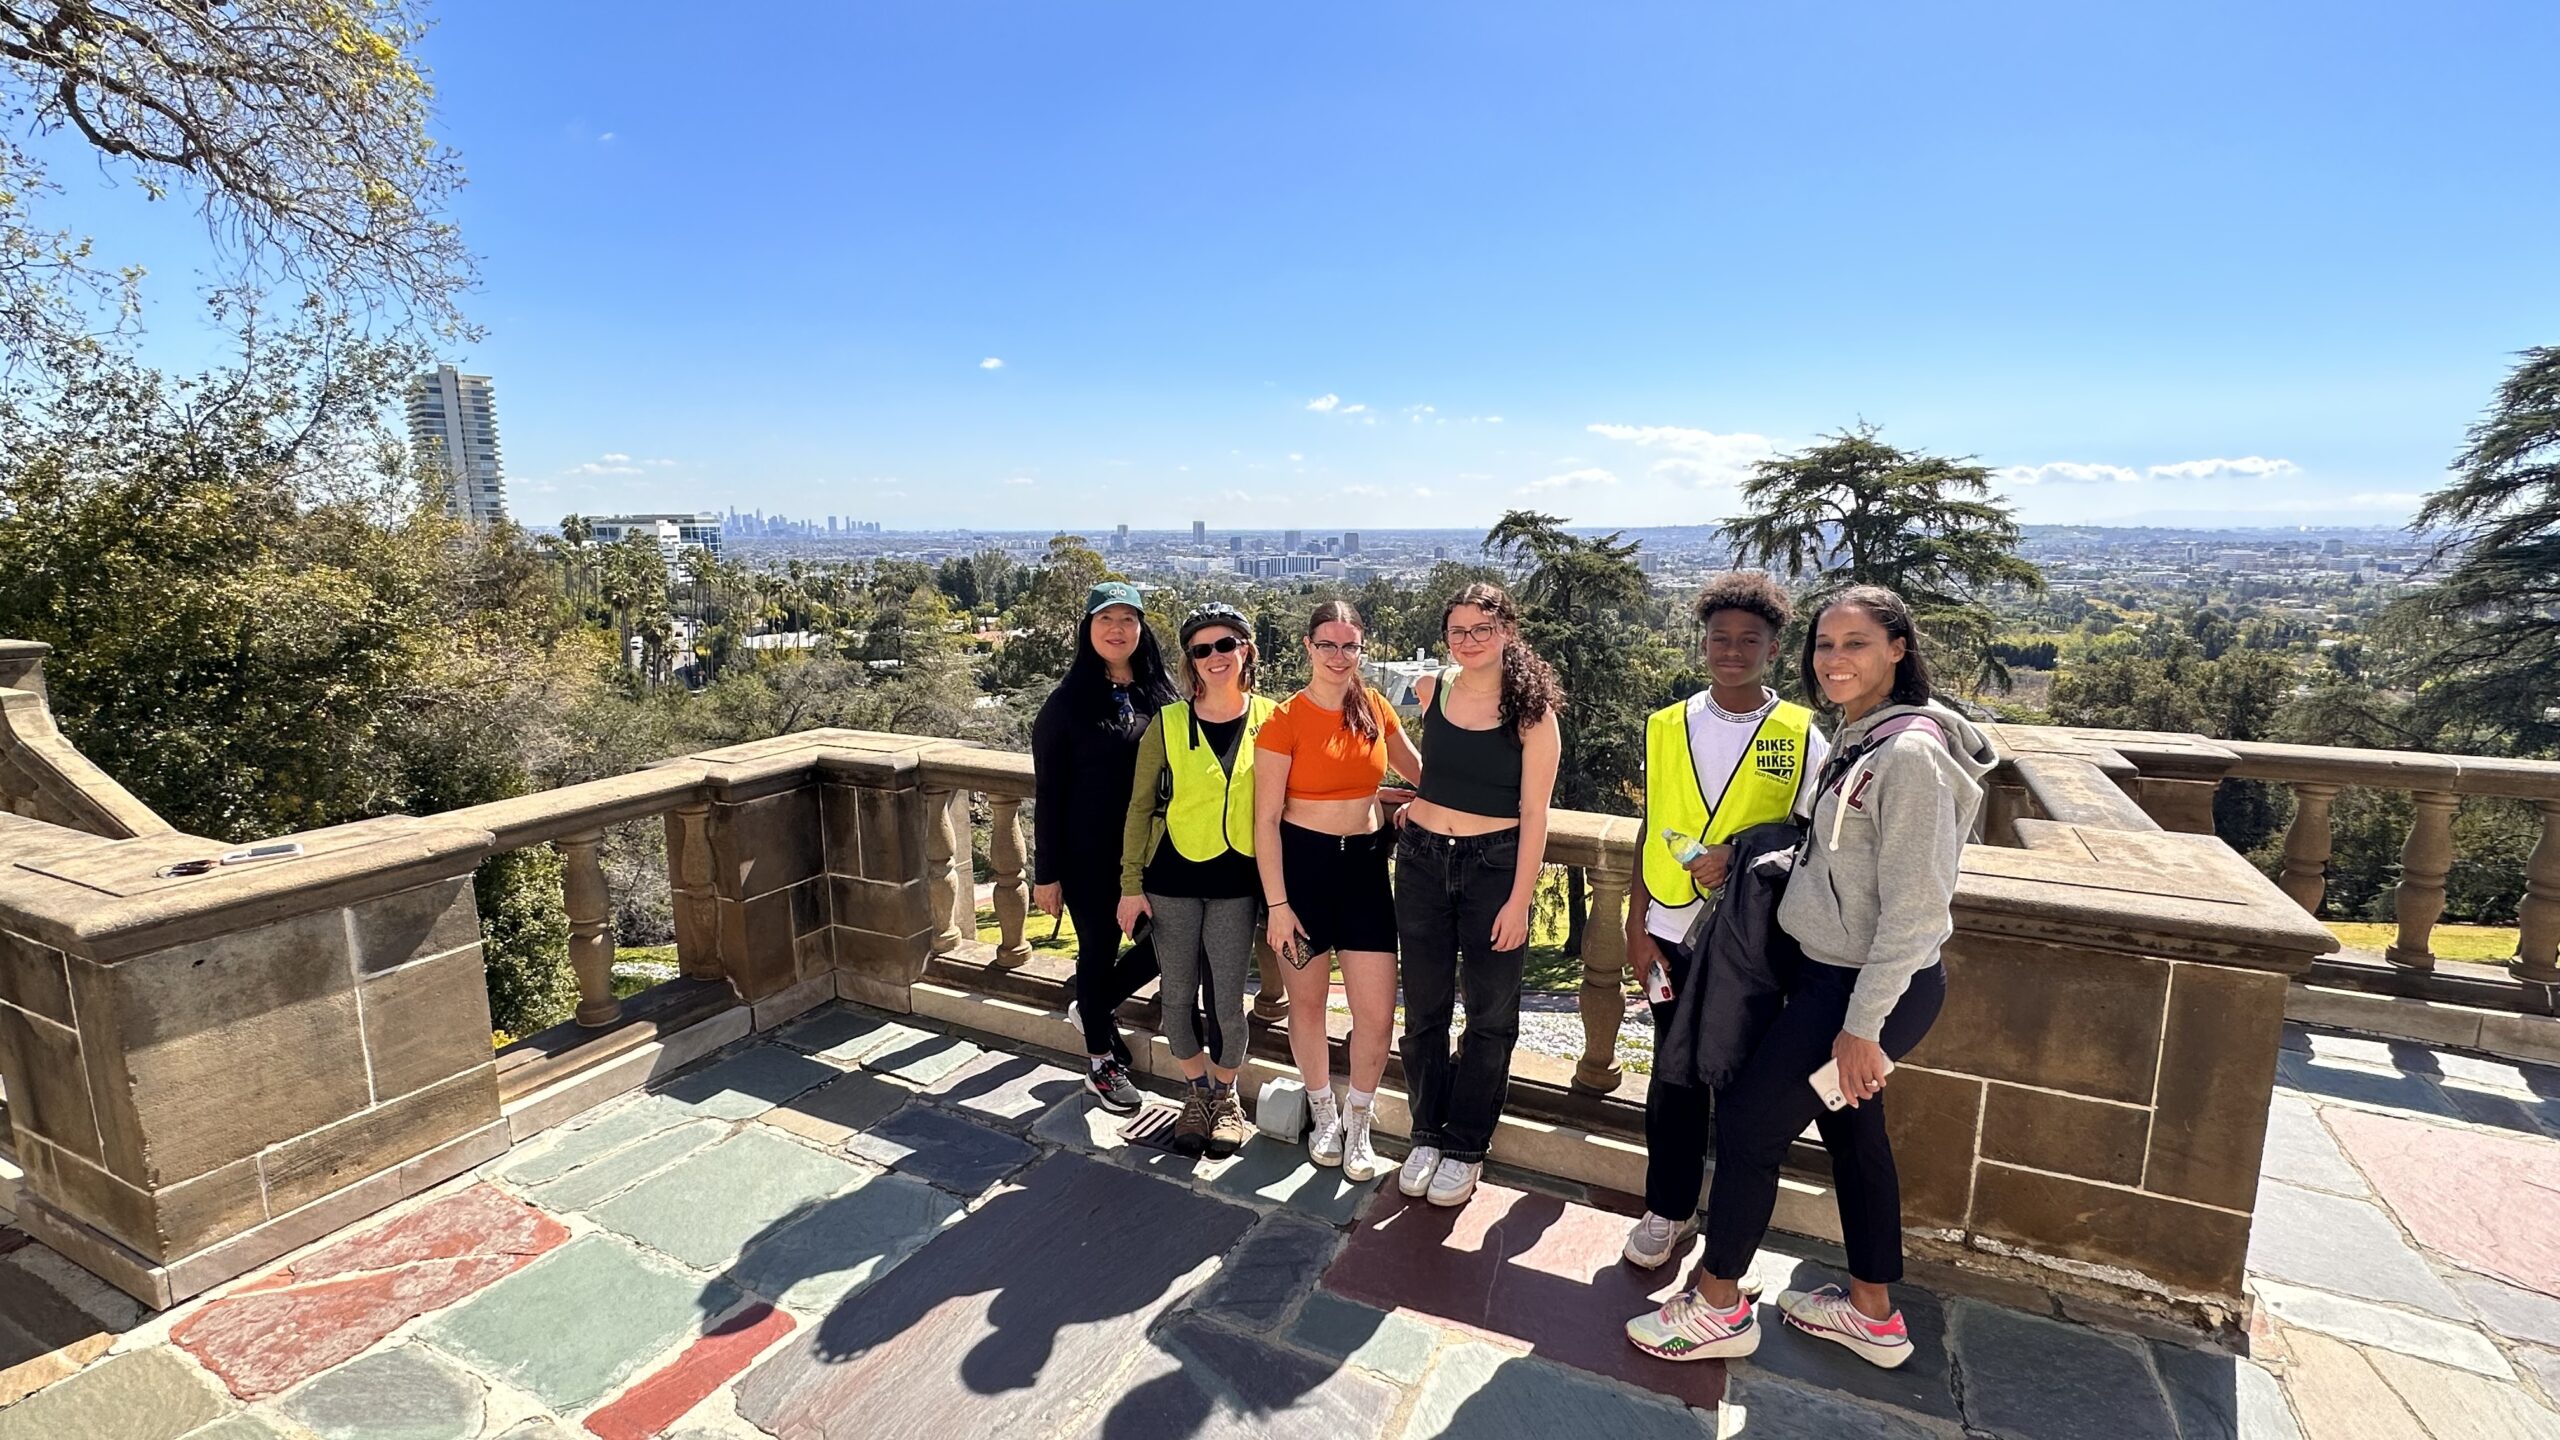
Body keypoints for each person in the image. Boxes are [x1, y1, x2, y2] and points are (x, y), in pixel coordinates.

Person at [1627, 584, 1997, 1371]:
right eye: (1826, 645)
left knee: (1755, 1127)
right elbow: (1825, 851)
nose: (1834, 659)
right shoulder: (1864, 737)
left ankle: (1718, 1303)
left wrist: (1862, 1029)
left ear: (1898, 649)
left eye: (1856, 643)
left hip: (1857, 993)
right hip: (1838, 982)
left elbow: (1918, 911)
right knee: (1854, 1133)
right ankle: (1872, 1312)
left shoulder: (1911, 756)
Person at [1620, 573, 1827, 1269]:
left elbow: (1819, 837)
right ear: (1702, 643)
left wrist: (1738, 852)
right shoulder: (1665, 724)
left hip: (1750, 943)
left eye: (1749, 641)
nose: (1731, 651)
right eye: (1719, 638)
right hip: (1674, 934)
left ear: (1773, 649)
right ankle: (1668, 1209)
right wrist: (1636, 920)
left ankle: (1732, 1230)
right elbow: (1652, 826)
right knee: (1672, 1078)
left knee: (1738, 1084)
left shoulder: (1800, 734)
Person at [1393, 583, 1562, 1208]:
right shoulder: (1432, 689)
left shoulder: (1532, 712)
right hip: (1421, 861)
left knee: (1490, 1018)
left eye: (1482, 629)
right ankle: (1426, 1132)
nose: (1469, 641)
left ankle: (1465, 1144)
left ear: (1508, 633)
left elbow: (1535, 814)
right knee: (1425, 1011)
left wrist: (1520, 900)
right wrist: (1417, 803)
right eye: (1458, 631)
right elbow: (1417, 759)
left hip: (1494, 868)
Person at [1254, 600, 1422, 1183]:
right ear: (1308, 647)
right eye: (1327, 644)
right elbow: (1265, 821)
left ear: (1361, 649)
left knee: (1375, 1015)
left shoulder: (1375, 708)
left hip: (1366, 872)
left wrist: (1437, 803)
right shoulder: (1283, 721)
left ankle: (1360, 1119)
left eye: (1349, 645)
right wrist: (1277, 905)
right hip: (1302, 876)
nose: (1339, 656)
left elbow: (1422, 774)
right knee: (1306, 1003)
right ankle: (1323, 1110)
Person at [1118, 603, 1272, 1159]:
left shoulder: (1272, 720)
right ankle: (1196, 1094)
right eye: (1201, 649)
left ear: (1246, 650)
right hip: (1171, 879)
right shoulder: (1168, 723)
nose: (1214, 658)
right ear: (1190, 660)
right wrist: (1130, 885)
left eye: (1225, 645)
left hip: (1238, 881)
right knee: (1177, 996)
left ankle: (1225, 1097)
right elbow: (1139, 808)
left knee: (1228, 1002)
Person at [1031, 581, 1182, 1115]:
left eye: (1128, 619)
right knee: (1096, 952)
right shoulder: (1065, 707)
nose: (1117, 630)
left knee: (1170, 943)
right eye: (1105, 619)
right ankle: (1100, 1061)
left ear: (1142, 630)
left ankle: (1094, 1006)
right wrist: (1045, 873)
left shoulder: (1161, 696)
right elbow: (1047, 793)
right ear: (1088, 630)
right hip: (1087, 856)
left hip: (1153, 854)